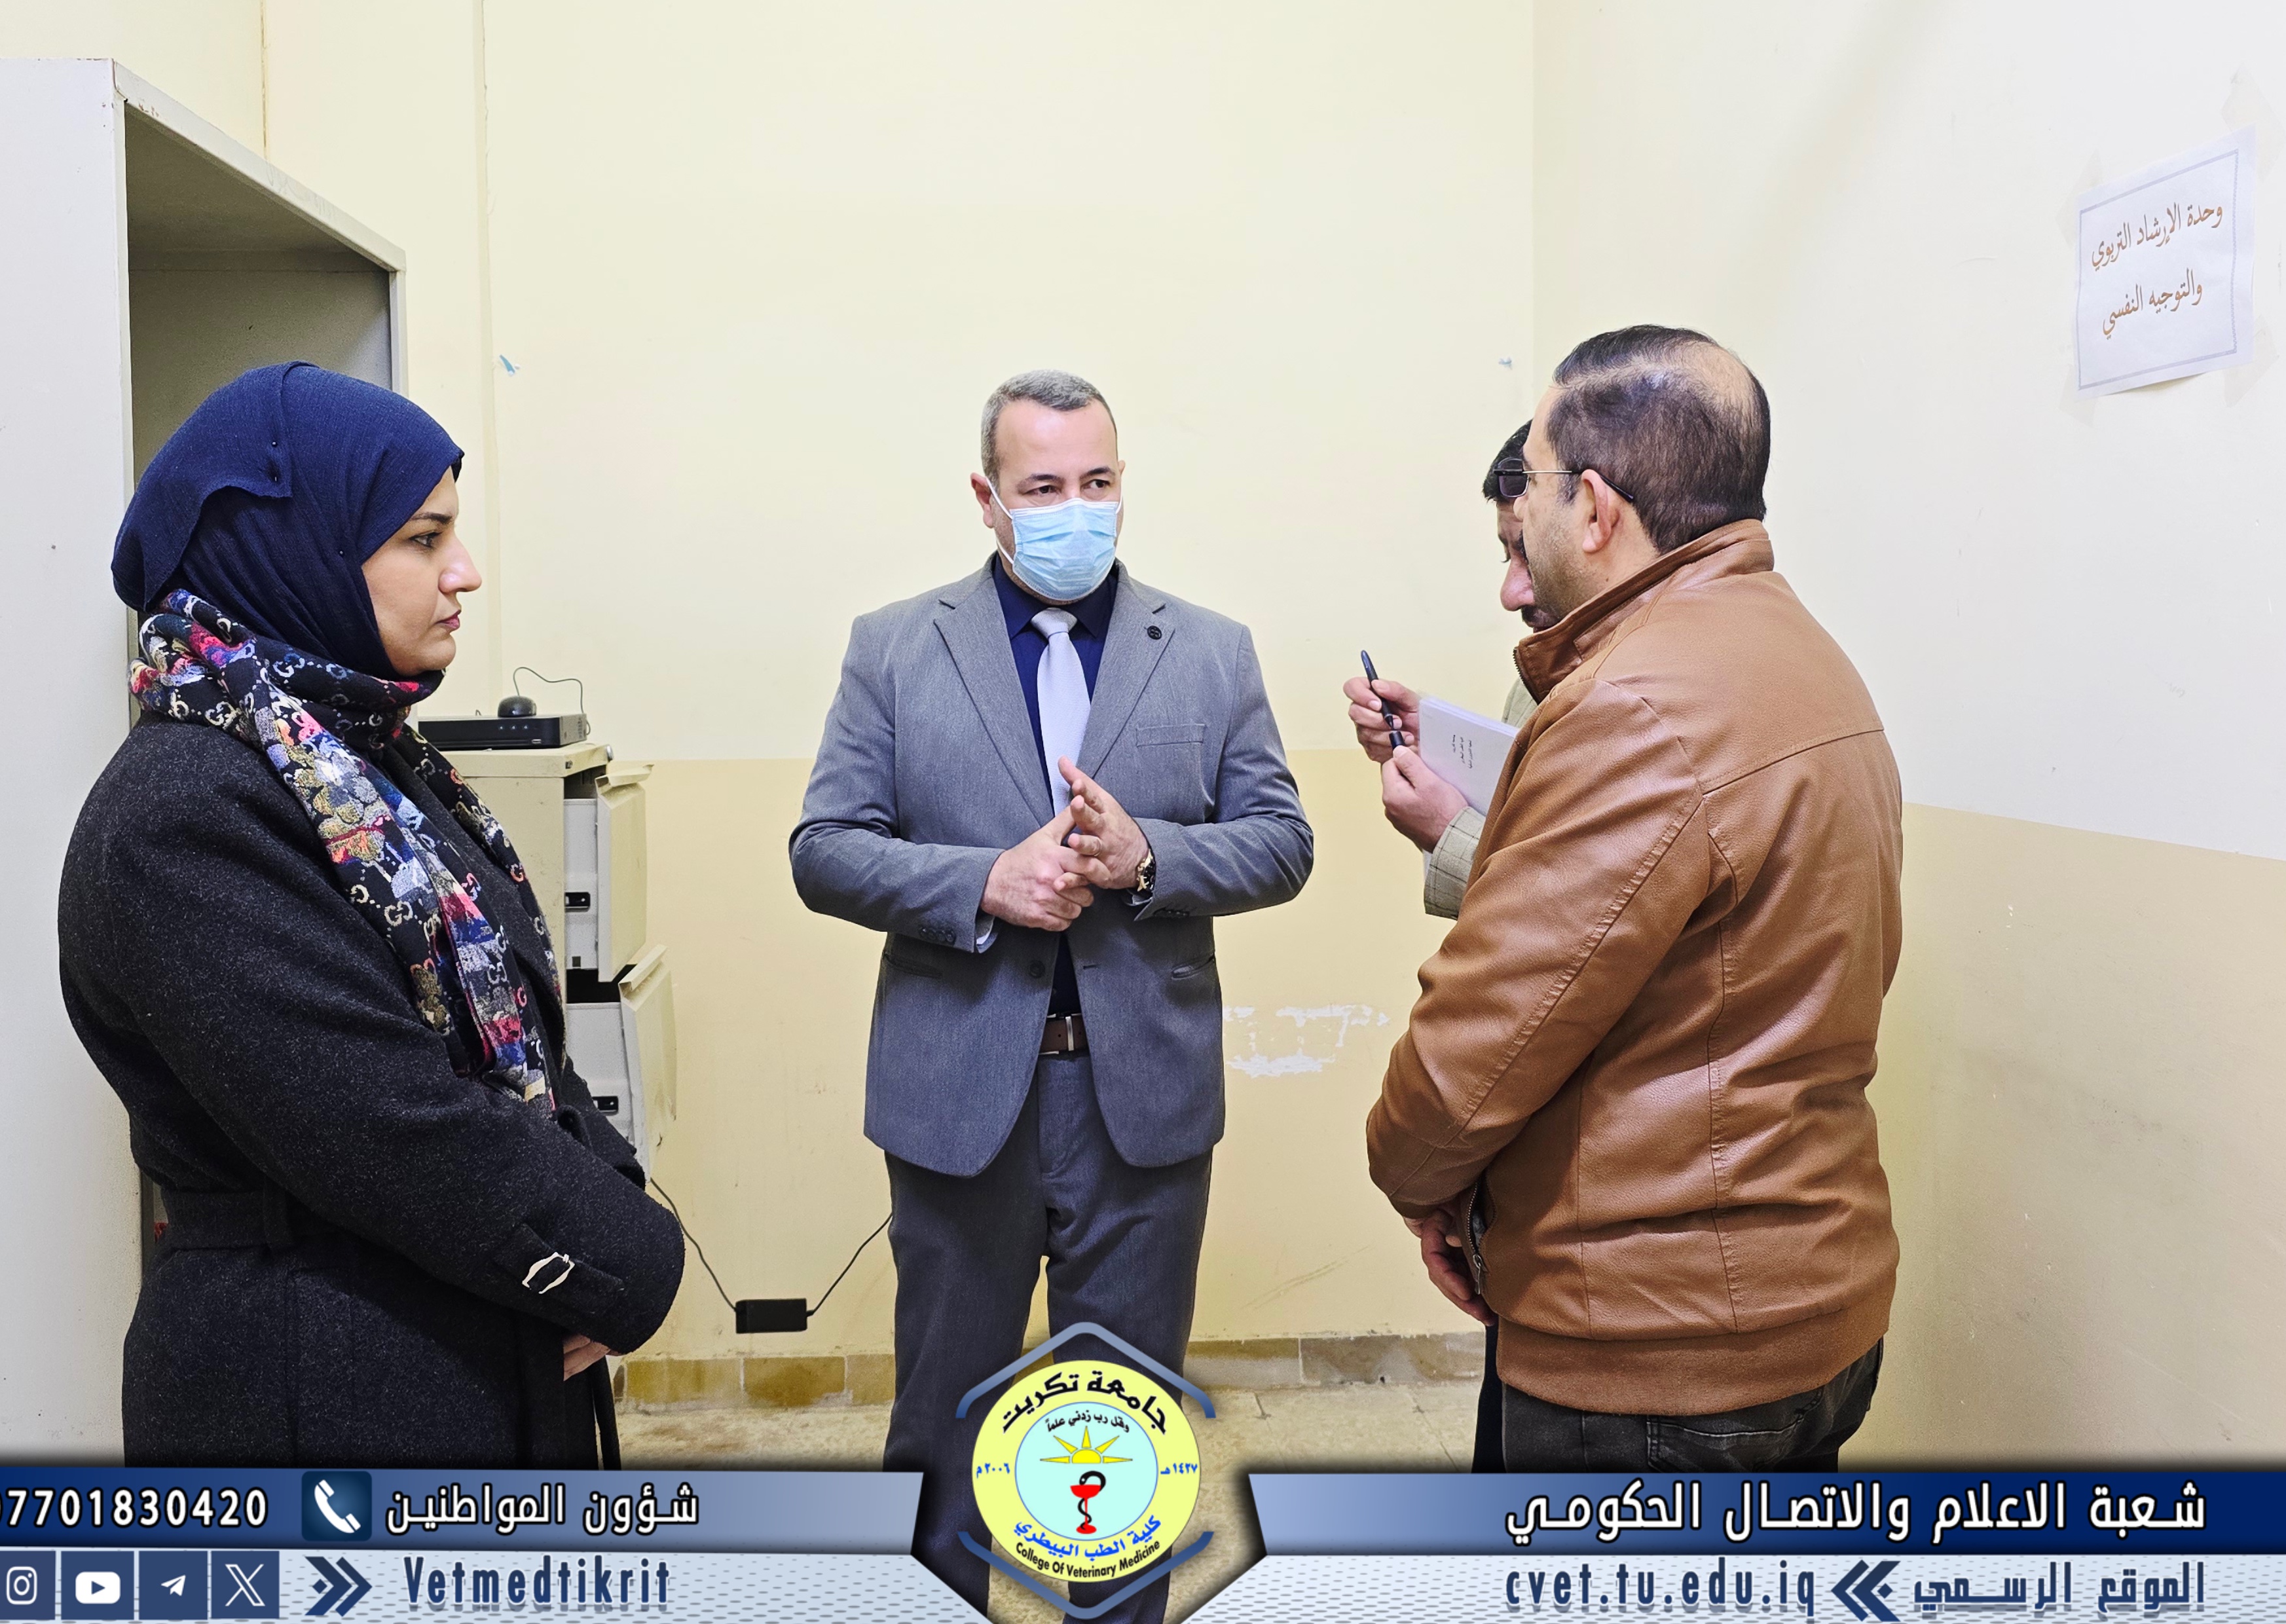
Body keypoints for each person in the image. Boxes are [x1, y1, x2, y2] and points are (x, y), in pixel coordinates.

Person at [59, 362, 682, 1466]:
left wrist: (604, 1213)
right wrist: (627, 1260)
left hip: (448, 1330)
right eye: (424, 539)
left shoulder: (362, 765)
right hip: (320, 1387)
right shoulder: (184, 811)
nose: (466, 571)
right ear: (291, 552)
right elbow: (388, 1120)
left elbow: (520, 1036)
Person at [791, 369, 1312, 1618]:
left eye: (1096, 482)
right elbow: (824, 849)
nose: (1074, 509)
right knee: (941, 1421)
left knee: (1118, 1430)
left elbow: (1282, 842)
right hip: (959, 1095)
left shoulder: (1210, 650)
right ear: (986, 499)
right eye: (1041, 488)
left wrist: (1150, 859)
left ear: (1124, 486)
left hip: (1141, 1098)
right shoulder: (893, 647)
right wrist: (984, 882)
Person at [1365, 327, 1901, 1472]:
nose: (1522, 533)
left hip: (1658, 1356)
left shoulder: (1635, 706)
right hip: (1811, 1297)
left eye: (1533, 489)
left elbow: (1478, 1050)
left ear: (1595, 508)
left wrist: (1415, 1183)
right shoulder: (1804, 655)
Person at [1336, 419, 1553, 1473]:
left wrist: (1447, 833)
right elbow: (1544, 838)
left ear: (1598, 516)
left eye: (1525, 553)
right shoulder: (1562, 669)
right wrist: (1445, 749)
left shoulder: (1639, 702)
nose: (1510, 591)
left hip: (1624, 1276)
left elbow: (1561, 929)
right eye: (1502, 555)